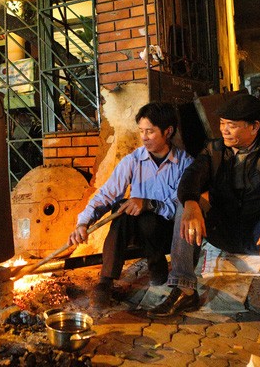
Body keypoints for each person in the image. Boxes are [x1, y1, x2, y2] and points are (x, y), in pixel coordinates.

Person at [147, 93, 260, 349]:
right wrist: (190, 202)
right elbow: (191, 176)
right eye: (222, 123)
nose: (224, 130)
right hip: (223, 230)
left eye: (232, 125)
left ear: (254, 126)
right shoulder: (213, 149)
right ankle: (184, 289)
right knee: (187, 205)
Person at [68, 102, 193, 308]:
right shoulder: (133, 160)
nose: (144, 137)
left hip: (168, 233)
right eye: (141, 131)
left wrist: (150, 204)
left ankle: (157, 264)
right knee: (122, 210)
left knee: (149, 218)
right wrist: (83, 222)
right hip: (137, 231)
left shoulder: (185, 163)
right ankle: (105, 282)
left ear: (168, 132)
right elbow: (107, 194)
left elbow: (180, 208)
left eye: (150, 132)